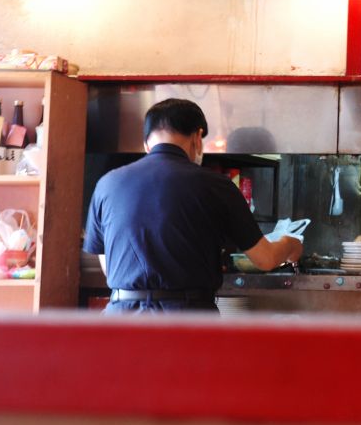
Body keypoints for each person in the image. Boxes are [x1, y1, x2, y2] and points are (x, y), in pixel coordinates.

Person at [84, 99, 303, 313]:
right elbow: (265, 259)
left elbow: (108, 266)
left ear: (146, 143)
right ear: (198, 138)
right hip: (187, 321)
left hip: (121, 321)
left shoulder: (107, 183)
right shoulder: (216, 185)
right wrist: (290, 244)